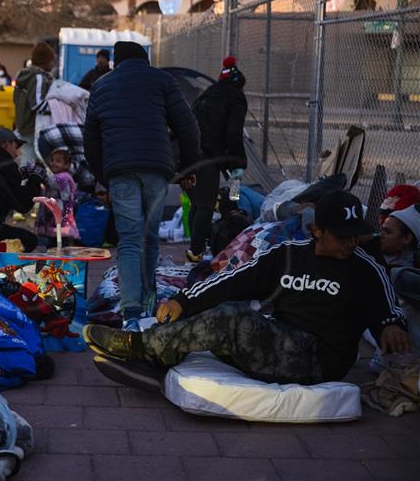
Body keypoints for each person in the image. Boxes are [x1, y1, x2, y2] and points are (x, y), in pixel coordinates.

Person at [84, 191, 411, 388]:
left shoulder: (363, 267)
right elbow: (232, 279)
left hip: (319, 360)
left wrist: (391, 324)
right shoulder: (287, 255)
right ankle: (157, 356)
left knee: (232, 319)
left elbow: (388, 307)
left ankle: (140, 347)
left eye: (355, 235)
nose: (350, 243)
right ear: (317, 230)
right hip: (280, 339)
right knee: (224, 310)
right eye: (342, 236)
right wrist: (184, 300)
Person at [84, 41, 201, 332]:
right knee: (149, 237)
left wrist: (104, 175)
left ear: (116, 62)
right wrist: (188, 168)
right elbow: (188, 127)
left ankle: (131, 314)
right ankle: (148, 301)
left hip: (120, 171)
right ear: (144, 60)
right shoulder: (163, 80)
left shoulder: (101, 86)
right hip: (157, 169)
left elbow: (91, 139)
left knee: (129, 240)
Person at [186, 56, 248, 263]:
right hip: (207, 156)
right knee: (205, 204)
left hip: (187, 154)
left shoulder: (207, 94)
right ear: (238, 84)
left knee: (197, 202)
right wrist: (238, 164)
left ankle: (195, 247)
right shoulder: (237, 98)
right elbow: (233, 134)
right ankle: (195, 254)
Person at [14, 42, 56, 166]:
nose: (53, 65)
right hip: (33, 127)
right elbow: (37, 104)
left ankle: (26, 183)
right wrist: (57, 107)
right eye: (51, 61)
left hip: (22, 124)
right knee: (32, 162)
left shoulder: (23, 76)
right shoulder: (38, 77)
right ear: (45, 62)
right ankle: (27, 184)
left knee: (26, 159)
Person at [35, 149, 80, 249]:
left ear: (66, 165)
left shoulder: (64, 177)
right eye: (52, 160)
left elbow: (53, 182)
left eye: (58, 161)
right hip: (53, 219)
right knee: (53, 246)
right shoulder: (56, 176)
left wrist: (40, 173)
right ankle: (54, 263)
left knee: (63, 247)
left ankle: (65, 263)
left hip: (61, 220)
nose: (53, 163)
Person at [381, 204, 420, 270]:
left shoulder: (403, 276)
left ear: (406, 238)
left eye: (387, 232)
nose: (380, 235)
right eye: (381, 230)